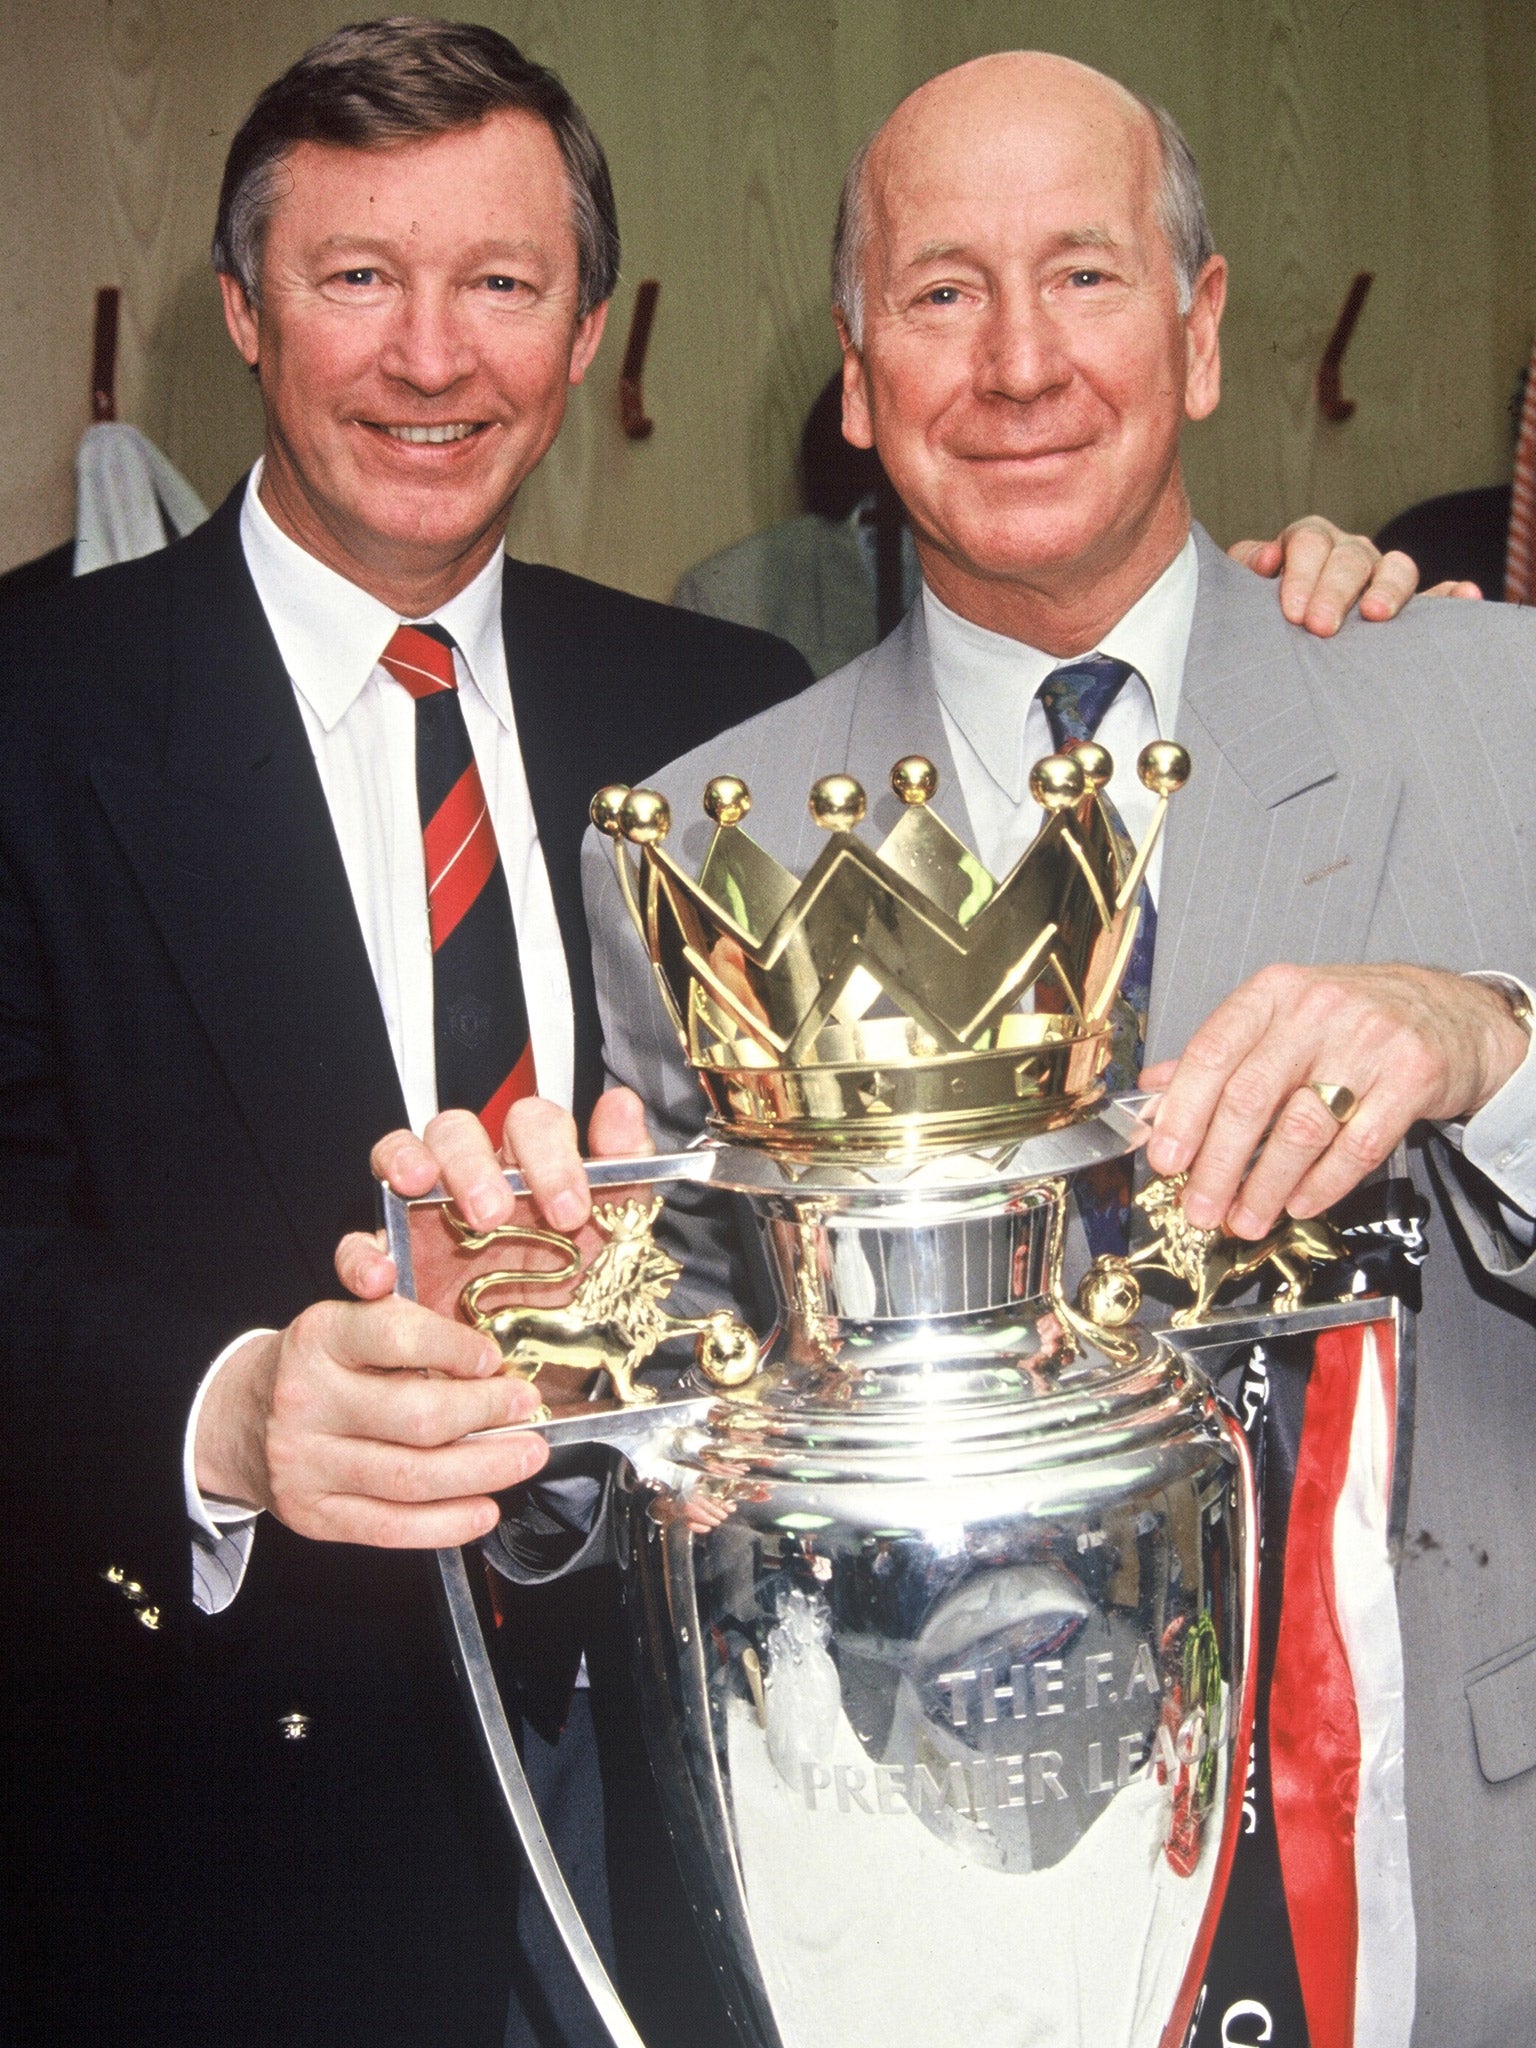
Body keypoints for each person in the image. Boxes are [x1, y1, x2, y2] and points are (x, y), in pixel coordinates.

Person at [0, 22, 1442, 2048]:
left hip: (747, 1811)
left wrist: (1335, 614)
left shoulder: (725, 710)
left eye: (501, 284)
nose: (434, 356)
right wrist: (225, 1412)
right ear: (240, 309)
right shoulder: (31, 704)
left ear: (586, 332)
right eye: (357, 279)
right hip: (232, 1852)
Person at [422, 51, 1536, 2048]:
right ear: (856, 377)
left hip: (1467, 1905)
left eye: (1086, 278)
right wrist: (502, 1361)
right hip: (934, 1921)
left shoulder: (1497, 710)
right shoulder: (696, 838)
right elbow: (674, 1442)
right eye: (942, 292)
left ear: (1197, 335)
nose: (1016, 364)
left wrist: (1502, 1044)